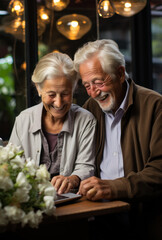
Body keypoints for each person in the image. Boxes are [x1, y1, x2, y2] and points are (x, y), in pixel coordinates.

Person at [74, 39, 162, 239]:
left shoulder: (155, 106)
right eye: (87, 85)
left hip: (143, 215)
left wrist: (114, 187)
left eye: (98, 82)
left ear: (120, 74)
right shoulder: (90, 108)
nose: (93, 93)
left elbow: (159, 170)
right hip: (98, 213)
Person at [9, 52, 96, 194]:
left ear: (73, 89)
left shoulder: (86, 120)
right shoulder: (23, 120)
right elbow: (13, 167)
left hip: (72, 202)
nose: (59, 102)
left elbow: (86, 166)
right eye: (51, 95)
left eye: (65, 94)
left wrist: (72, 179)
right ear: (39, 88)